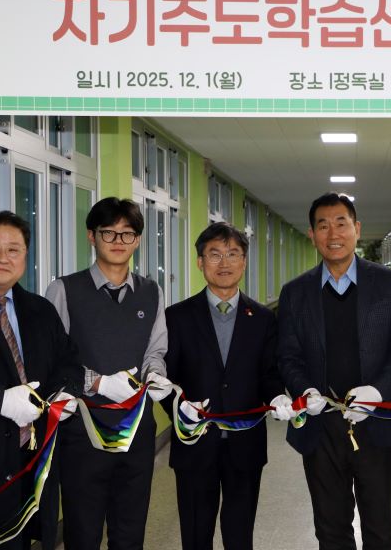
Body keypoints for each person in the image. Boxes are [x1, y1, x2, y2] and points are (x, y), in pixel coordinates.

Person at [277, 192, 391, 550]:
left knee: (381, 531)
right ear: (312, 234)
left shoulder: (388, 283)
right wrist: (305, 390)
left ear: (357, 228)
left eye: (341, 223)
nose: (333, 233)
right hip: (320, 428)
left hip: (378, 425)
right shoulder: (295, 293)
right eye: (323, 225)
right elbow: (288, 356)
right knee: (331, 531)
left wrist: (378, 392)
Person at [0, 211, 83, 550]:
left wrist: (64, 394)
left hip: (33, 466)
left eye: (14, 249)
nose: (3, 258)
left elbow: (69, 362)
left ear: (25, 256)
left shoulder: (40, 310)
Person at [45, 197, 172, 550]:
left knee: (130, 532)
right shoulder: (64, 290)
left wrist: (155, 375)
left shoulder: (151, 291)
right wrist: (97, 382)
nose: (118, 241)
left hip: (137, 432)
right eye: (108, 233)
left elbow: (155, 351)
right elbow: (53, 361)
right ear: (91, 236)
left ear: (138, 240)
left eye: (127, 233)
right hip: (82, 434)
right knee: (82, 534)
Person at [162, 222, 297, 550]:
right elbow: (165, 379)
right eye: (215, 255)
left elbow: (269, 374)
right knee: (196, 536)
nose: (224, 263)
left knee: (240, 537)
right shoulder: (176, 317)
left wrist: (278, 396)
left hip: (245, 447)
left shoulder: (263, 319)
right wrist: (179, 411)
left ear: (244, 262)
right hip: (195, 446)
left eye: (233, 254)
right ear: (200, 262)